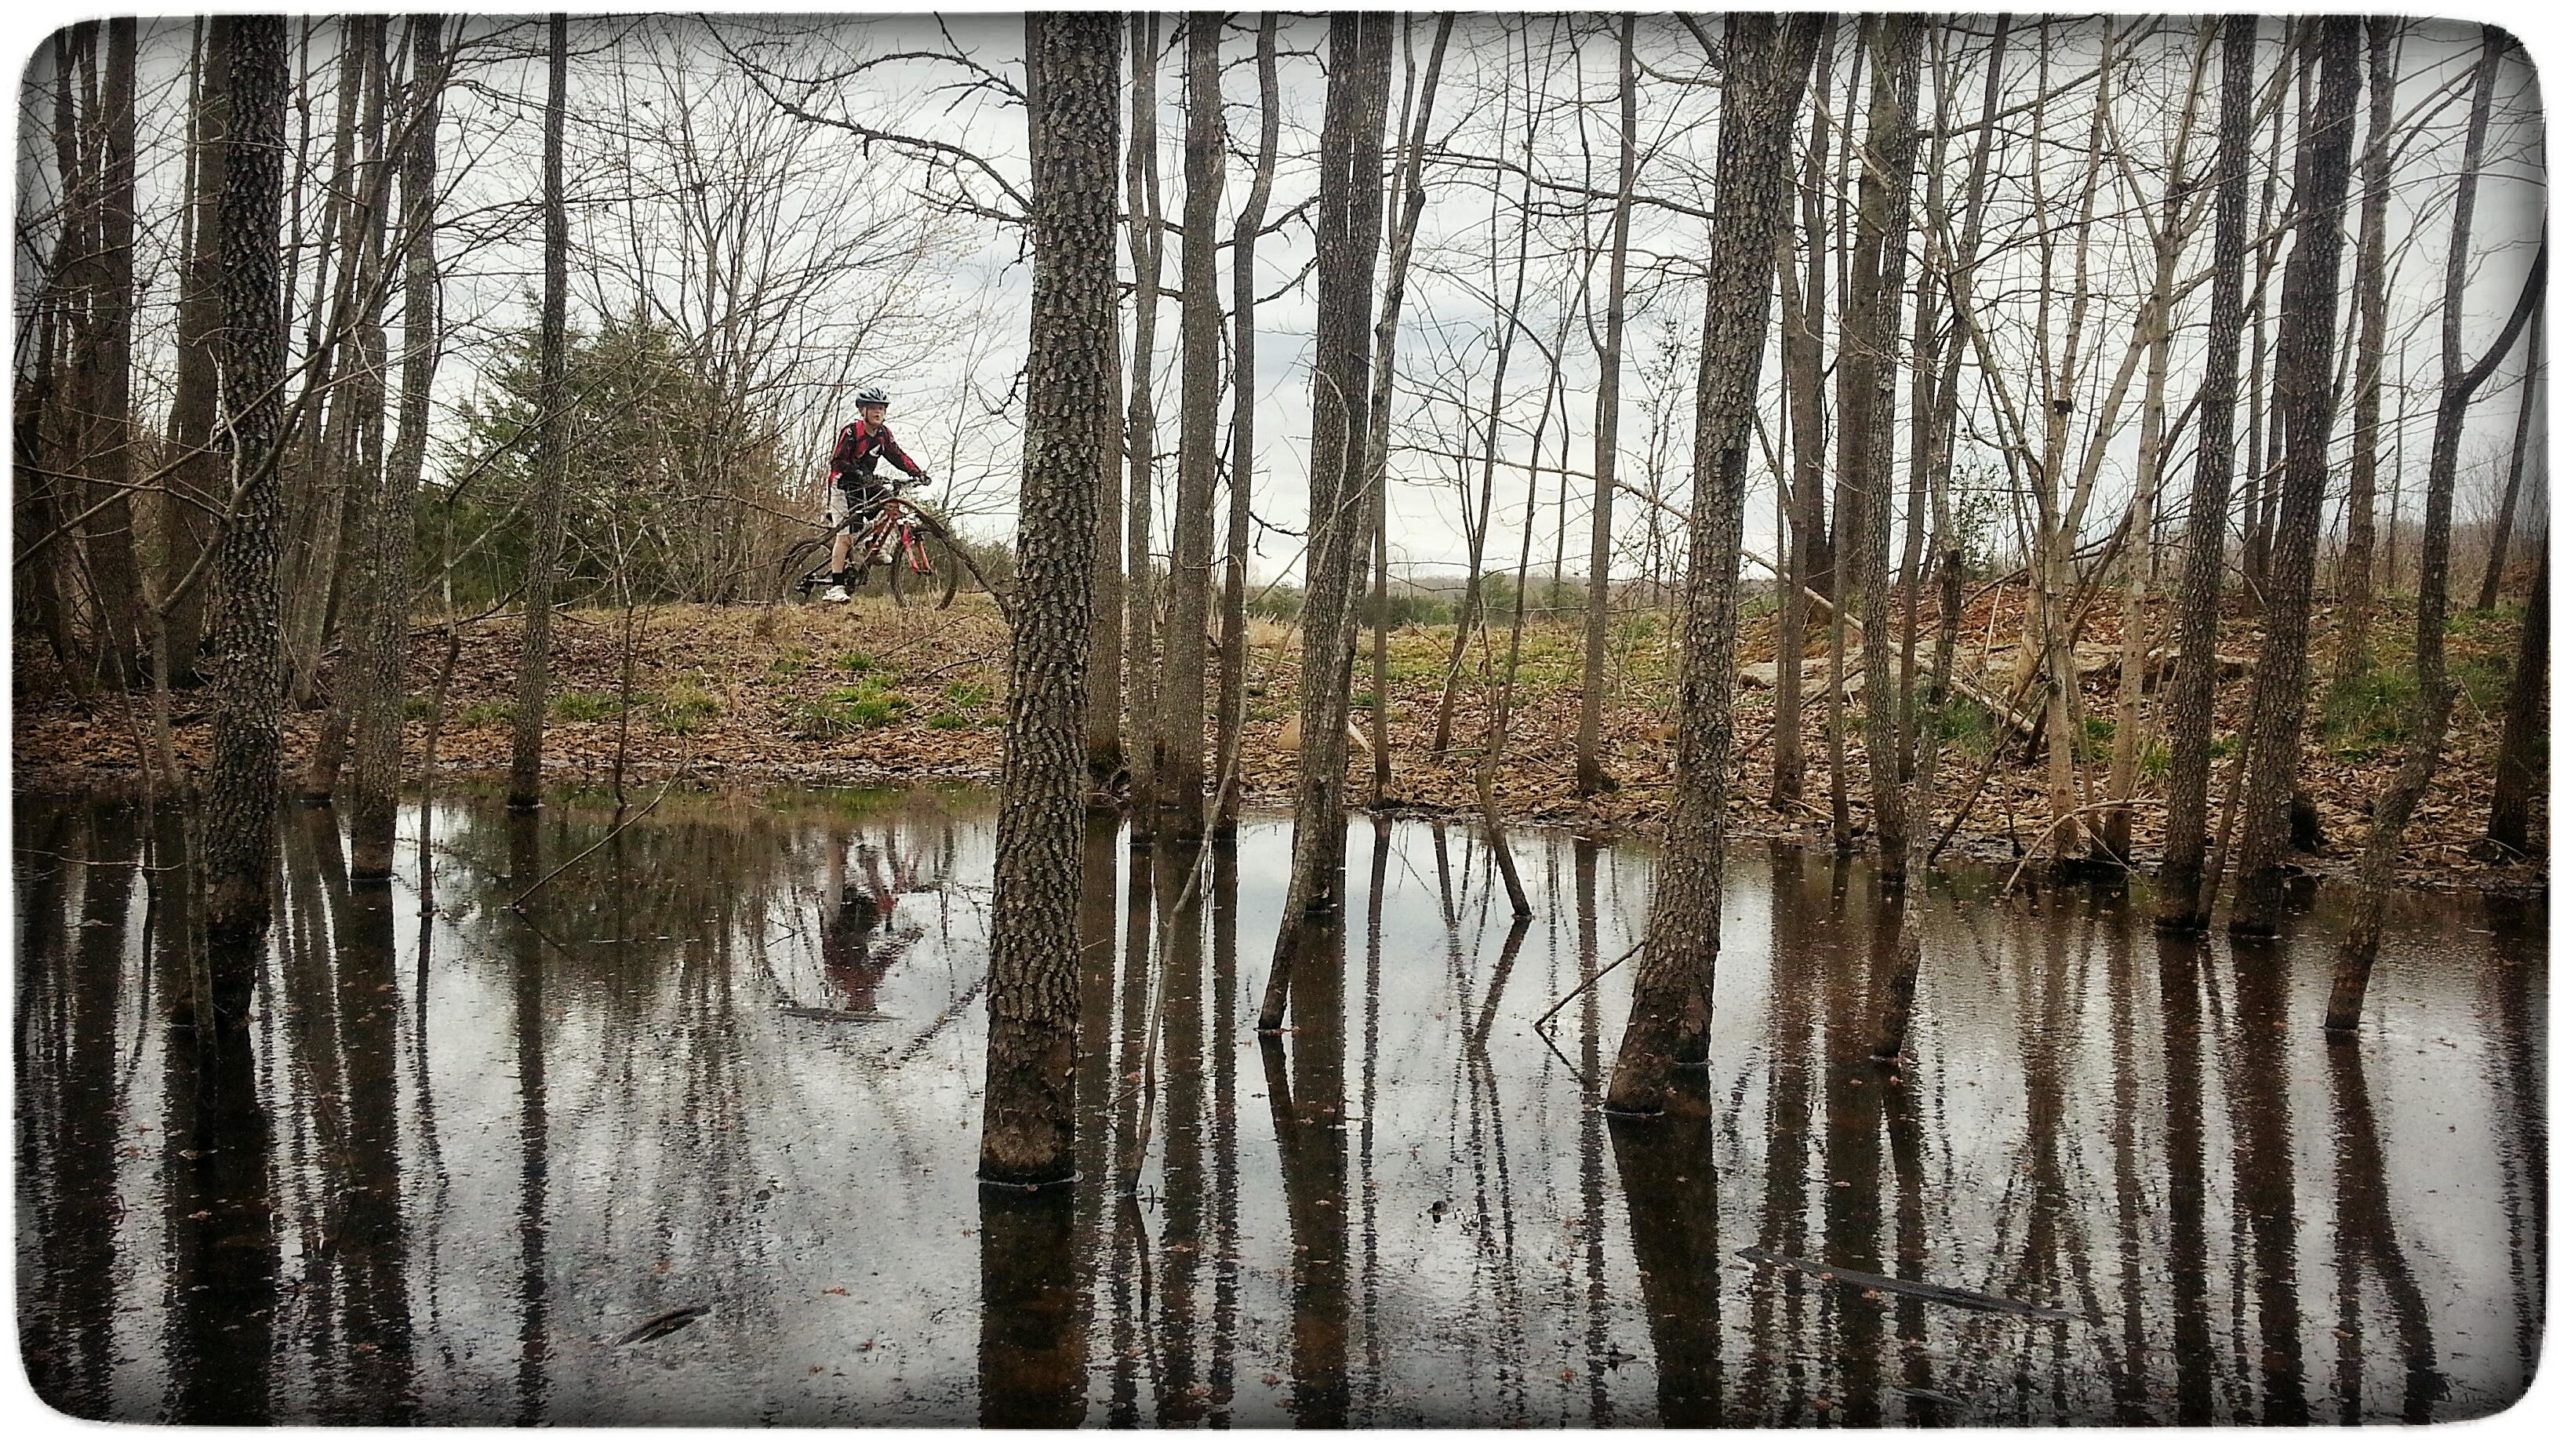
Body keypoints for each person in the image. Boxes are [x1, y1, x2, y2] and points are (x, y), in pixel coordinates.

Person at [817, 385, 930, 602]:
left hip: (865, 483)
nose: (878, 412)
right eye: (873, 408)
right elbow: (837, 460)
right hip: (843, 484)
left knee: (890, 502)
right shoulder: (851, 432)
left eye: (881, 408)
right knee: (847, 536)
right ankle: (836, 587)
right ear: (862, 411)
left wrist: (917, 473)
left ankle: (875, 547)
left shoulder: (883, 435)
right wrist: (858, 472)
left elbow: (897, 456)